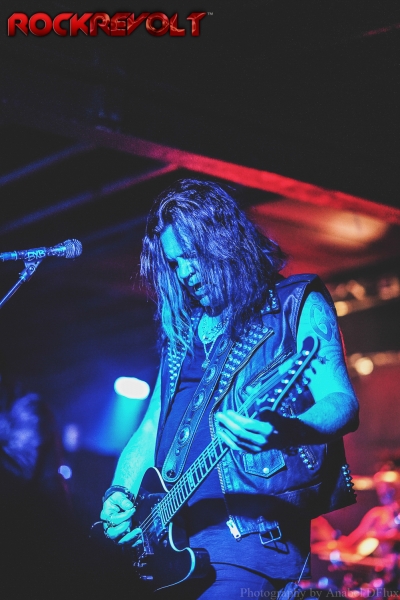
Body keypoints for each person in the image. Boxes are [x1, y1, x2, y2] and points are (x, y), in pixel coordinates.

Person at [99, 179, 359, 598]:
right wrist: (120, 491)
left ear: (224, 241)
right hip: (169, 550)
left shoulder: (293, 303)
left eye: (192, 256)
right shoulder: (183, 331)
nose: (185, 273)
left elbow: (342, 401)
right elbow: (150, 429)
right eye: (174, 263)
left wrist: (288, 430)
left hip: (248, 540)